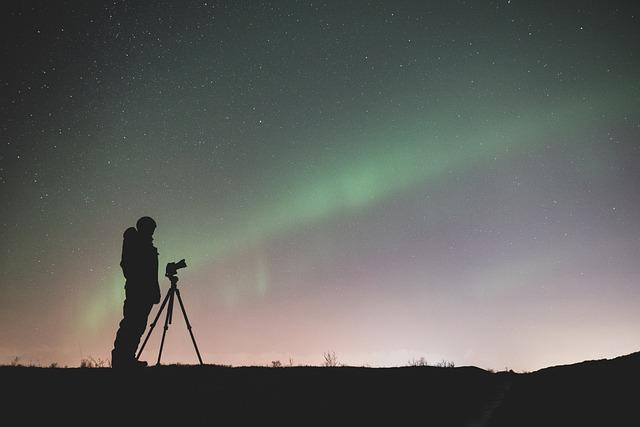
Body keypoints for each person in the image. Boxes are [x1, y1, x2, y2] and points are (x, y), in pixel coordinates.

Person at [111, 216, 161, 368]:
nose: (152, 232)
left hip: (145, 291)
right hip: (137, 290)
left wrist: (154, 290)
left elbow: (152, 272)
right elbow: (128, 265)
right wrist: (140, 282)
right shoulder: (135, 242)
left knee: (138, 325)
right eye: (150, 228)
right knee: (131, 324)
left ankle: (128, 358)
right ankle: (121, 359)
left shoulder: (146, 244)